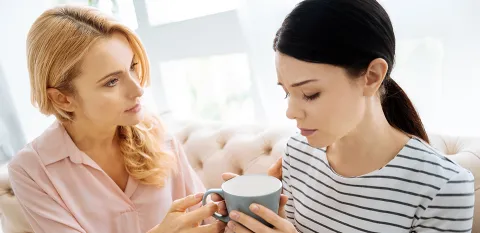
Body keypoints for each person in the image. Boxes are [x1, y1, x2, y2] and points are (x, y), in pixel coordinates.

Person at [222, 0, 475, 232]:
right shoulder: (296, 153)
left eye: (310, 93)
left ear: (372, 76)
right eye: (287, 93)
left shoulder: (444, 186)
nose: (290, 113)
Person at [7, 5, 229, 233]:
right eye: (111, 81)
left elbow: (209, 222)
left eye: (133, 67)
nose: (138, 90)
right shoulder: (31, 170)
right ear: (63, 99)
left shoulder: (158, 134)